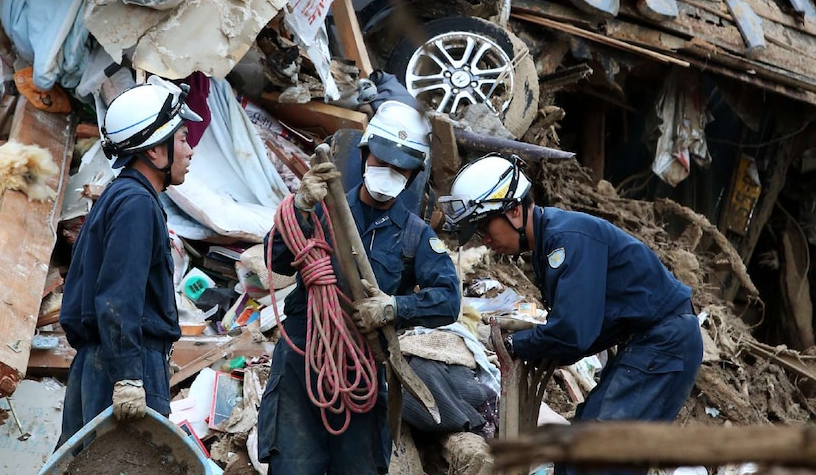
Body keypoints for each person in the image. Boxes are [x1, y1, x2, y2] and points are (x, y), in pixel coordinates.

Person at [440, 153, 703, 473]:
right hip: (650, 344)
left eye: (484, 226)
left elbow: (574, 331)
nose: (485, 240)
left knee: (597, 455)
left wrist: (516, 345)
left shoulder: (566, 240)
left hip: (663, 344)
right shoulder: (547, 245)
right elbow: (574, 331)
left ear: (513, 211)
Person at [258, 100, 461, 474]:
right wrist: (301, 206)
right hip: (303, 366)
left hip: (361, 374)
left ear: (413, 174)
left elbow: (449, 300)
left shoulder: (416, 237)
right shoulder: (321, 210)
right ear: (366, 156)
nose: (388, 172)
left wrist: (394, 308)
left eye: (399, 168)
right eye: (381, 162)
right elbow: (276, 261)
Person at [57, 80, 202, 447]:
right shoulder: (136, 204)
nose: (190, 150)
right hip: (120, 367)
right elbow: (118, 297)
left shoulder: (120, 197)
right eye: (183, 138)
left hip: (102, 364)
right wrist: (129, 376)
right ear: (155, 151)